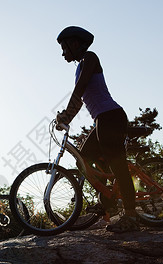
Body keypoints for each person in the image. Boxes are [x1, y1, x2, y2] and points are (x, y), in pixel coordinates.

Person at [56, 26, 139, 232]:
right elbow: (81, 99)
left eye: (64, 47)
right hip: (101, 119)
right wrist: (67, 117)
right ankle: (108, 197)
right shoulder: (79, 67)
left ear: (75, 44)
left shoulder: (90, 58)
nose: (63, 52)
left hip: (110, 117)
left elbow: (80, 88)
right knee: (83, 157)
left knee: (117, 165)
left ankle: (131, 216)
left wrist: (67, 114)